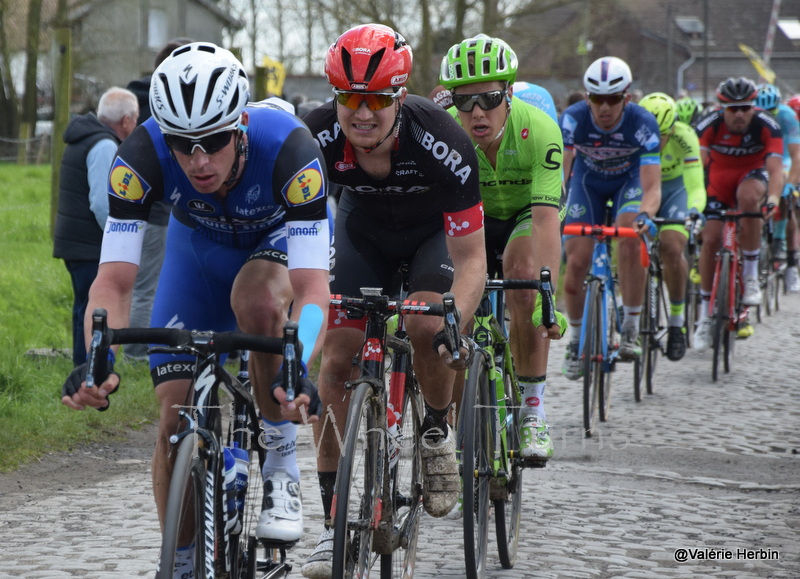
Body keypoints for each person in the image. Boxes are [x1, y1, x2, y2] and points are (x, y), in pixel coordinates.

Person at [60, 42, 331, 577]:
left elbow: (313, 288)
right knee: (174, 415)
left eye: (213, 141)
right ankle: (181, 561)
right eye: (184, 145)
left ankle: (279, 463)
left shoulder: (291, 152)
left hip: (272, 245)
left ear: (242, 125)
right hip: (198, 251)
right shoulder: (138, 156)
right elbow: (113, 282)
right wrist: (98, 360)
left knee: (256, 301)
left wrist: (300, 362)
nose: (199, 160)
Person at [299, 24, 487, 578]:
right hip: (363, 235)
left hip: (434, 239)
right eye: (349, 99)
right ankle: (335, 526)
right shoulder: (313, 142)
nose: (362, 113)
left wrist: (456, 320)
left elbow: (473, 260)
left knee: (427, 327)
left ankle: (433, 428)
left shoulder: (442, 140)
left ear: (400, 98)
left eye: (377, 99)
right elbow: (299, 245)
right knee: (335, 360)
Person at [438, 34, 565, 462]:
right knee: (457, 316)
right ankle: (459, 436)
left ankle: (532, 411)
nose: (476, 112)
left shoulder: (540, 130)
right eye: (464, 100)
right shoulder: (447, 130)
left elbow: (547, 219)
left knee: (523, 273)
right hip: (471, 221)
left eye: (489, 99)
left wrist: (547, 296)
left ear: (508, 93)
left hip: (525, 216)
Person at [559, 56, 662, 379]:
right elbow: (561, 175)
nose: (604, 108)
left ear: (626, 98)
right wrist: (556, 208)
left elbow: (652, 186)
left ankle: (630, 325)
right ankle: (576, 340)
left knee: (629, 237)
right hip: (586, 183)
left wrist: (646, 214)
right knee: (576, 261)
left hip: (627, 183)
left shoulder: (642, 122)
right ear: (587, 98)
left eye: (613, 100)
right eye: (596, 99)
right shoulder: (573, 119)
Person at [692, 77, 783, 351]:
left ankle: (752, 275)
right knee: (710, 239)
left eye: (745, 108)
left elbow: (777, 170)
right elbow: (696, 167)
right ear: (722, 109)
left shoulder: (768, 125)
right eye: (733, 109)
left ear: (753, 107)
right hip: (718, 182)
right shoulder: (708, 125)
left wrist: (775, 199)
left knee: (749, 200)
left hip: (752, 176)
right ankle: (705, 315)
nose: (740, 114)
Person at [53, 86, 139, 367]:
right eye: (135, 119)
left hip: (73, 239)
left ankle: (82, 368)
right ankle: (91, 370)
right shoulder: (104, 145)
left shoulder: (82, 139)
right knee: (95, 310)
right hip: (89, 243)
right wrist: (116, 241)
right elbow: (102, 204)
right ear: (126, 120)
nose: (136, 125)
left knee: (82, 309)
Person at [123, 38, 192, 361]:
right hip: (161, 212)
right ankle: (137, 353)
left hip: (140, 207)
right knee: (147, 286)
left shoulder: (137, 98)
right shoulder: (166, 106)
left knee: (143, 283)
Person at [638, 92, 707, 360]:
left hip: (677, 190)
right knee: (627, 235)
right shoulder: (635, 133)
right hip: (645, 188)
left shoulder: (685, 135)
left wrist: (693, 210)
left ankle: (677, 323)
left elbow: (696, 184)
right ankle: (625, 301)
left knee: (671, 246)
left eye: (663, 135)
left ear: (673, 127)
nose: (657, 142)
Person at [755, 83, 800, 292]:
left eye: (771, 112)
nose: (768, 116)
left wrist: (790, 183)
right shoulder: (751, 116)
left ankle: (789, 259)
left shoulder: (787, 115)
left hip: (783, 159)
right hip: (761, 158)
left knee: (786, 201)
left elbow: (796, 155)